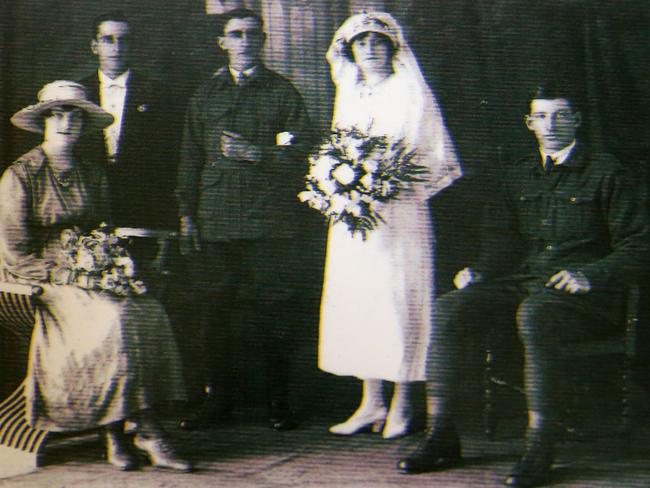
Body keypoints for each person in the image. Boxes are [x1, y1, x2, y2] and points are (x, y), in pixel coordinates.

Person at [397, 83, 649, 487]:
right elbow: (503, 242)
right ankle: (441, 434)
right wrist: (479, 270)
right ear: (529, 123)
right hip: (528, 282)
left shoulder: (607, 173)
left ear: (578, 121)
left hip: (587, 296)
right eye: (541, 116)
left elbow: (640, 243)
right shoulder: (517, 174)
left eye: (561, 115)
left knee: (535, 313)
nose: (550, 125)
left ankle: (540, 444)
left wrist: (593, 274)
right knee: (449, 307)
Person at [0, 80, 192, 472]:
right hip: (40, 277)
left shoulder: (92, 173)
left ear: (85, 123)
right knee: (112, 319)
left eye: (75, 114)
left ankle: (122, 430)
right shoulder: (21, 176)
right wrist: (70, 274)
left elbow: (101, 229)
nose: (67, 121)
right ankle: (137, 430)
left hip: (91, 268)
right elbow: (15, 252)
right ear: (44, 121)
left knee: (147, 310)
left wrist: (108, 266)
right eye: (58, 113)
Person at [318, 12, 462, 440]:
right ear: (351, 52)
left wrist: (382, 180)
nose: (370, 50)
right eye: (361, 43)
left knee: (398, 299)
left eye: (379, 42)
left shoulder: (409, 92)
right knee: (361, 301)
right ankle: (371, 401)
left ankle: (403, 403)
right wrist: (342, 183)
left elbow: (428, 153)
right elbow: (340, 146)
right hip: (354, 218)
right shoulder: (350, 89)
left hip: (398, 214)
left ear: (392, 48)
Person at [175, 8, 313, 431]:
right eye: (236, 34)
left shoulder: (282, 93)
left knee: (275, 313)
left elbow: (302, 155)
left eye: (253, 34)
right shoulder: (204, 95)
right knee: (214, 315)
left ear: (263, 39)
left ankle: (279, 402)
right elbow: (190, 159)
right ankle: (219, 403)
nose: (246, 41)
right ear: (223, 42)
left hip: (269, 222)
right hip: (215, 221)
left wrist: (258, 154)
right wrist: (186, 214)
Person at [79, 11, 178, 229]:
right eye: (108, 40)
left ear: (132, 45)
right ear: (95, 46)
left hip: (143, 203)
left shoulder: (158, 93)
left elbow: (168, 155)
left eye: (124, 40)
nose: (117, 47)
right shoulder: (79, 93)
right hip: (89, 202)